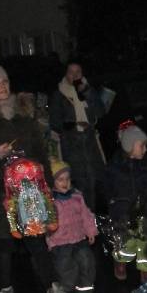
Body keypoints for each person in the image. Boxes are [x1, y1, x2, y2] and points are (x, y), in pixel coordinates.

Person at [0, 63, 66, 293]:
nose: (3, 85)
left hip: (30, 191)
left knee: (37, 242)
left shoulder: (24, 115)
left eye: (5, 80)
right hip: (0, 194)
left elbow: (40, 150)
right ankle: (5, 292)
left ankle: (53, 288)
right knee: (3, 247)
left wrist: (47, 179)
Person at [103, 122, 147, 282]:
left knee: (145, 243)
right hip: (123, 213)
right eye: (142, 146)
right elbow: (106, 187)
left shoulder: (146, 168)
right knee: (127, 243)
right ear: (129, 146)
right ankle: (120, 260)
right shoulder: (114, 168)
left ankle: (146, 270)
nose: (145, 149)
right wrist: (113, 203)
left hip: (143, 212)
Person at [49, 61, 106, 209]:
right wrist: (73, 125)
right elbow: (55, 122)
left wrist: (87, 93)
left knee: (96, 182)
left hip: (90, 143)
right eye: (71, 72)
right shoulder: (59, 95)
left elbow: (100, 112)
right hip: (72, 145)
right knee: (79, 184)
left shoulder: (88, 90)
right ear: (65, 74)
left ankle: (96, 221)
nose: (74, 76)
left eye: (78, 72)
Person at [46, 160, 98, 293]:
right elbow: (46, 222)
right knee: (67, 270)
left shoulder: (77, 196)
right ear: (52, 181)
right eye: (60, 179)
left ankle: (85, 291)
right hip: (60, 242)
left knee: (87, 262)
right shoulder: (50, 200)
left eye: (68, 179)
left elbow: (86, 214)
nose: (65, 182)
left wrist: (91, 231)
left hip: (79, 238)